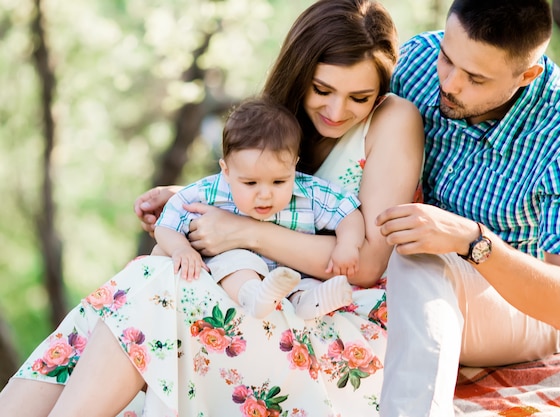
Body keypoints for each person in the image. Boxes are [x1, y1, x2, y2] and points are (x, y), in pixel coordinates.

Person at [0, 1, 423, 416]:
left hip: (340, 322)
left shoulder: (392, 119)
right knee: (136, 289)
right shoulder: (281, 123)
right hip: (268, 299)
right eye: (322, 90)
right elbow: (272, 199)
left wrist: (242, 230)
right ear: (300, 75)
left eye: (359, 97)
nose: (336, 111)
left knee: (157, 291)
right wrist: (194, 203)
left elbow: (365, 264)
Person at [375, 0, 560, 415]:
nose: (448, 84)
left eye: (475, 79)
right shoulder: (415, 64)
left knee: (420, 260)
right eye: (447, 59)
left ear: (527, 75)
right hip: (401, 274)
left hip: (519, 304)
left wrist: (471, 240)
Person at [153, 97, 364, 320]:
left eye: (279, 182)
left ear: (294, 164)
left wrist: (348, 244)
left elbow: (348, 213)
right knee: (235, 263)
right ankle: (254, 297)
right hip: (238, 275)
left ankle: (308, 301)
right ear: (226, 171)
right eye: (251, 183)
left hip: (291, 276)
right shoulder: (208, 193)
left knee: (306, 283)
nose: (265, 195)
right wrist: (181, 249)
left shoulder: (309, 191)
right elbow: (166, 225)